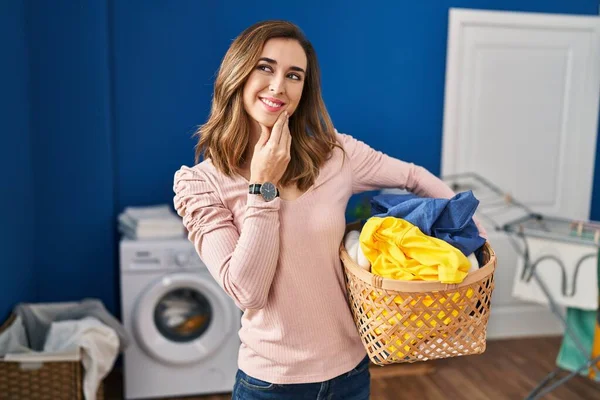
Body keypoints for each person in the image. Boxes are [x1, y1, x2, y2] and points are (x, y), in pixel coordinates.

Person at [173, 19, 487, 400]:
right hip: (270, 386)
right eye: (265, 67)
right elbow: (247, 292)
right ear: (238, 72)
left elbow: (414, 176)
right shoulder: (201, 184)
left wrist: (475, 236)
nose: (278, 86)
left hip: (350, 375)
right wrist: (263, 187)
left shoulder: (335, 155)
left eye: (294, 75)